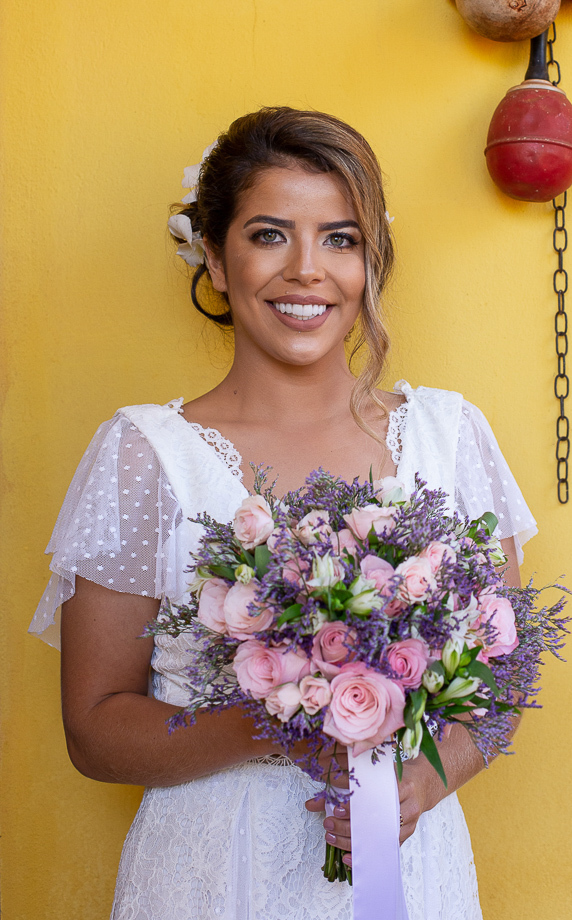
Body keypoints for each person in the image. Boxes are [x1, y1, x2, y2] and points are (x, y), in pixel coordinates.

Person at [30, 106, 538, 920]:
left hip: (410, 874)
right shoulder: (145, 453)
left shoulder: (449, 435)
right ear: (215, 259)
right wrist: (292, 717)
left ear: (371, 264)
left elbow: (503, 679)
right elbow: (93, 730)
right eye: (270, 235)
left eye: (340, 239)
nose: (308, 270)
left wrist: (420, 784)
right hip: (211, 878)